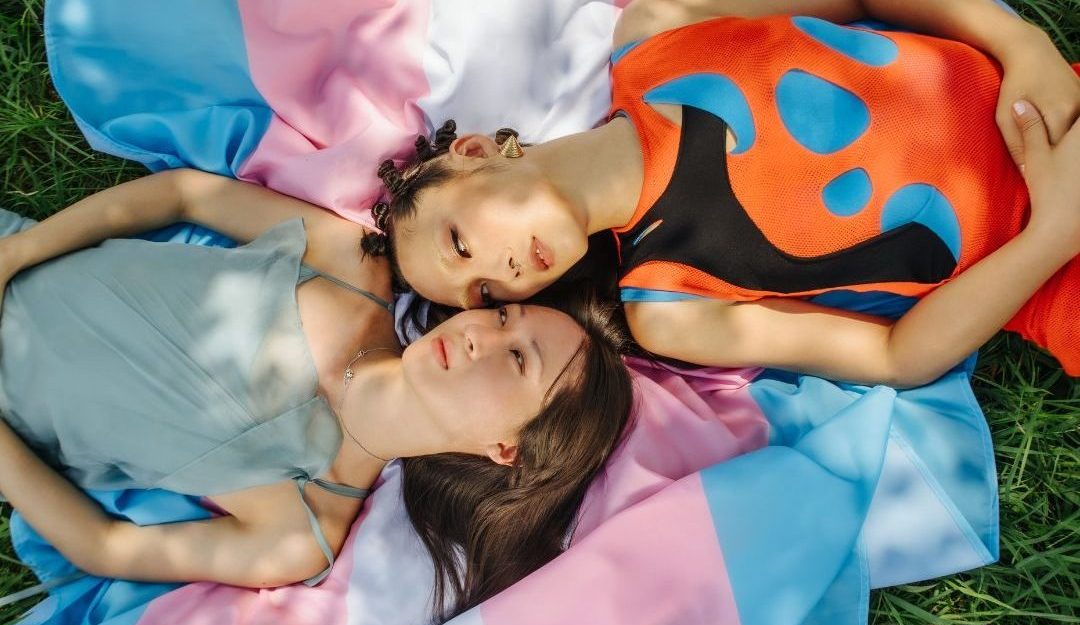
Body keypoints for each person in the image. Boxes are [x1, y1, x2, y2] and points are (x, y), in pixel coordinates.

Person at [0, 170, 634, 621]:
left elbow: (102, 546)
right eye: (500, 316)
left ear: (507, 449)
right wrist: (17, 254)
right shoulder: (354, 269)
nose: (479, 335)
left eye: (518, 359)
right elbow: (185, 194)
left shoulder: (302, 530)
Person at [364, 0, 1080, 387]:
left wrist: (1022, 46)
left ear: (475, 153)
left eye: (460, 243)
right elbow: (897, 357)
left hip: (1049, 99)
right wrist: (1055, 230)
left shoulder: (658, 29)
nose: (502, 274)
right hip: (1055, 273)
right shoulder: (669, 312)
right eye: (484, 294)